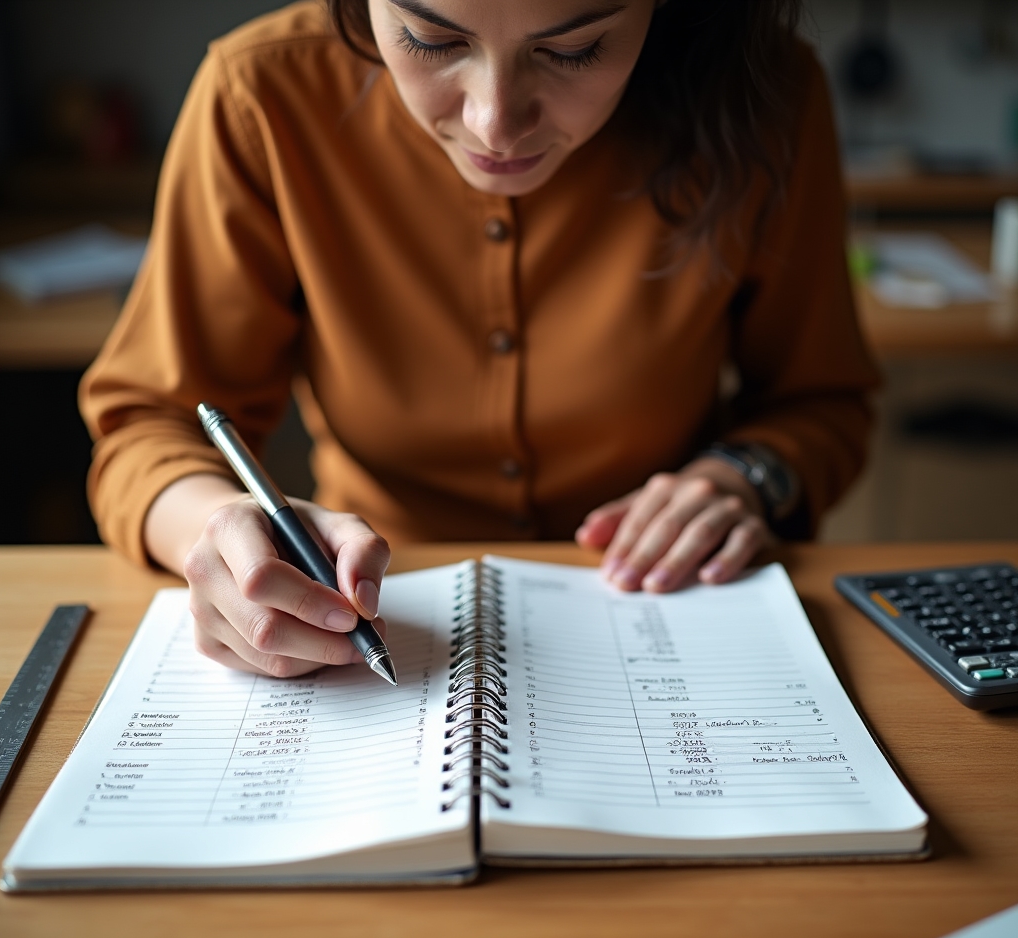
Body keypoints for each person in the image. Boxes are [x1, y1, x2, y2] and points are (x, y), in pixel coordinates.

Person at [80, 0, 878, 678]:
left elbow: (822, 401)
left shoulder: (768, 94)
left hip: (675, 614)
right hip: (379, 604)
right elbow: (151, 426)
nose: (494, 120)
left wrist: (743, 477)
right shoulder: (261, 95)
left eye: (575, 48)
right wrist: (218, 530)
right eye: (432, 40)